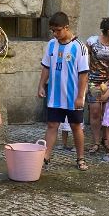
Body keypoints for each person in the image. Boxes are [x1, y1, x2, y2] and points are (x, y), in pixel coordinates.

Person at [38, 12, 90, 170]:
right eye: (52, 30)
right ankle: (45, 157)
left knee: (76, 126)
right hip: (55, 95)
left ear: (67, 28)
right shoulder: (51, 44)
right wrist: (41, 85)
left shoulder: (79, 47)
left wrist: (80, 96)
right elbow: (46, 66)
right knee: (52, 125)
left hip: (73, 96)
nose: (55, 33)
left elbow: (83, 74)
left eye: (58, 30)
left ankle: (80, 158)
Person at [86, 18, 109, 154]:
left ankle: (106, 139)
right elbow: (84, 61)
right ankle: (96, 142)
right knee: (95, 112)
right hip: (93, 82)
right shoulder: (92, 42)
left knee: (107, 112)